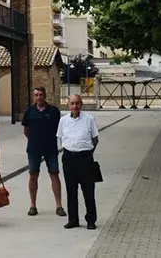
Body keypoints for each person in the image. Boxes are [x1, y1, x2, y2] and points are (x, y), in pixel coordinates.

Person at [58, 94, 100, 230]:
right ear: (68, 105)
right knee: (71, 190)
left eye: (77, 103)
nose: (74, 106)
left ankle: (91, 219)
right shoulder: (63, 120)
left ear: (81, 104)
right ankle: (73, 219)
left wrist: (87, 153)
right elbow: (61, 138)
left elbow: (95, 139)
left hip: (85, 158)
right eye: (72, 104)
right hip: (69, 158)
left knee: (88, 190)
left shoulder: (89, 119)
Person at [22, 86, 65, 217]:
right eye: (36, 95)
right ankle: (33, 205)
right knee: (33, 175)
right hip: (34, 149)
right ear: (33, 96)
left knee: (54, 175)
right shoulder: (29, 111)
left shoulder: (54, 111)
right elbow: (26, 130)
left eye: (41, 94)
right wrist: (35, 139)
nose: (38, 97)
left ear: (45, 95)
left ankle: (59, 206)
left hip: (50, 148)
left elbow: (60, 129)